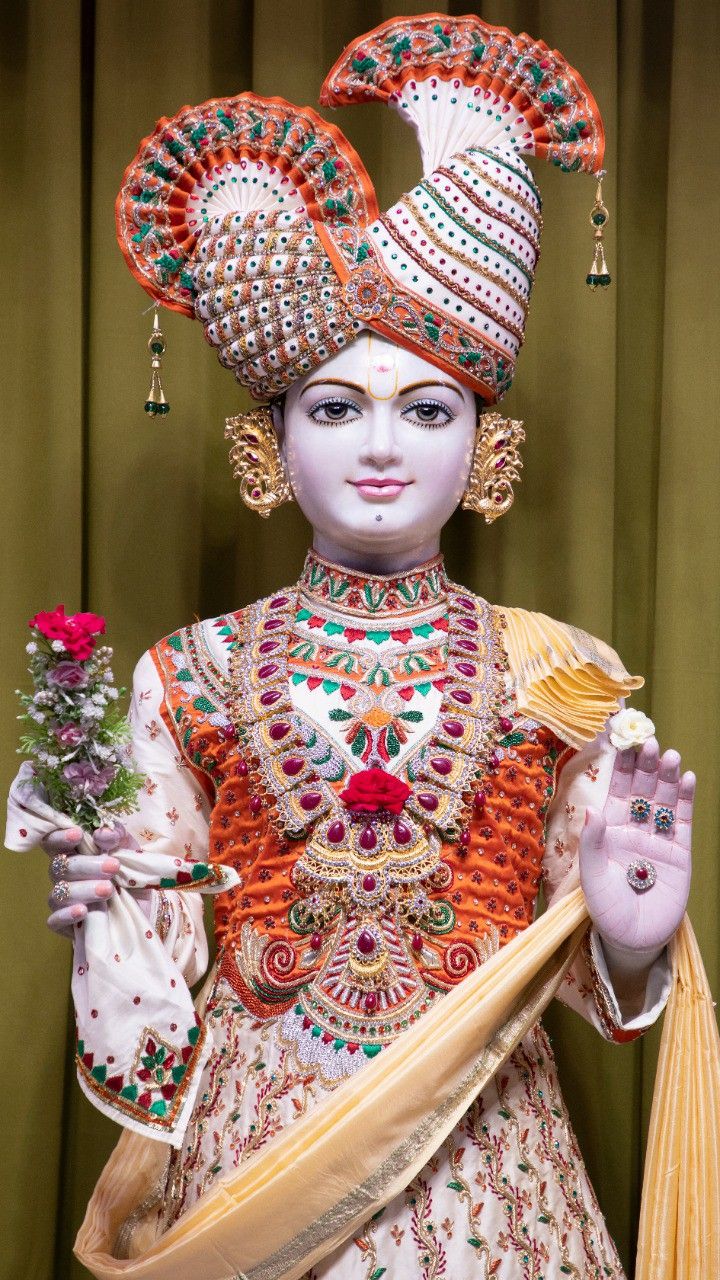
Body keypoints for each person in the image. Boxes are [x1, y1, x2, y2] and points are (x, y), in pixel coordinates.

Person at [17, 14, 699, 1278]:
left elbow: (595, 969)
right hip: (254, 1167)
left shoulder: (565, 674)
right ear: (268, 446)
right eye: (335, 407)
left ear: (485, 447)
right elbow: (155, 963)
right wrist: (108, 919)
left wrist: (625, 940)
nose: (380, 446)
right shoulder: (193, 672)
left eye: (425, 407)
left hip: (491, 1162)